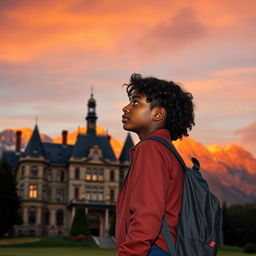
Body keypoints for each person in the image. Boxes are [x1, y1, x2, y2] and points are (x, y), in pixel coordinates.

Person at [115, 73, 195, 256]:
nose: (125, 108)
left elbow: (147, 213)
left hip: (151, 249)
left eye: (136, 102)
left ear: (158, 114)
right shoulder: (167, 151)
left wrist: (129, 253)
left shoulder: (150, 149)